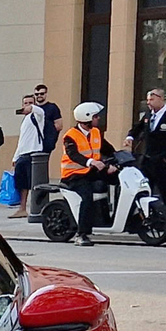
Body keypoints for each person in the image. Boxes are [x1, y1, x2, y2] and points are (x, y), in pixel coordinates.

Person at [57, 100, 113, 245]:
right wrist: (91, 162)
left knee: (117, 178)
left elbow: (108, 149)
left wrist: (119, 159)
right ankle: (81, 234)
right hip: (74, 175)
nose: (98, 118)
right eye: (95, 116)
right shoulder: (70, 136)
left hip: (91, 171)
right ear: (87, 117)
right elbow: (73, 154)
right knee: (87, 197)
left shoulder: (95, 132)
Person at [131, 87, 166, 215]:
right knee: (145, 189)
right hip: (147, 159)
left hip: (162, 161)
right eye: (147, 100)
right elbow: (138, 127)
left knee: (165, 190)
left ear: (160, 99)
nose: (149, 103)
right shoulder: (148, 114)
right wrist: (130, 137)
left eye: (151, 99)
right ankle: (147, 216)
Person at [12, 95, 53, 221]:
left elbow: (40, 111)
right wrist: (15, 156)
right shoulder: (25, 120)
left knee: (35, 183)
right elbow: (22, 140)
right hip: (23, 154)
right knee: (21, 183)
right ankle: (22, 208)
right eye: (25, 103)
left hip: (34, 153)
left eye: (30, 103)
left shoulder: (38, 115)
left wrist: (33, 108)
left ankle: (37, 208)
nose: (28, 105)